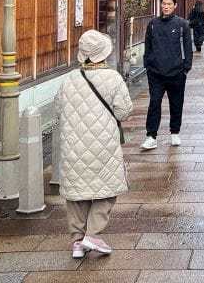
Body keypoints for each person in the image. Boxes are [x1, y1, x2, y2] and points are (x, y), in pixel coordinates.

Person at [56, 29, 132, 259]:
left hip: (73, 145)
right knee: (107, 190)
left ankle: (77, 242)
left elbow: (58, 111)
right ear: (103, 54)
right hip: (103, 145)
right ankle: (93, 233)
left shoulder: (68, 79)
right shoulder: (113, 78)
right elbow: (124, 112)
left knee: (77, 194)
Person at [141, 0, 192, 150]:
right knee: (154, 103)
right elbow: (148, 46)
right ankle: (151, 136)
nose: (166, 6)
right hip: (155, 72)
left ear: (175, 5)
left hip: (176, 72)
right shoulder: (153, 24)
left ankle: (175, 132)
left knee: (176, 103)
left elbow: (187, 48)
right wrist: (147, 64)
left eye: (169, 4)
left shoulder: (182, 25)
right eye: (164, 3)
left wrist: (186, 68)